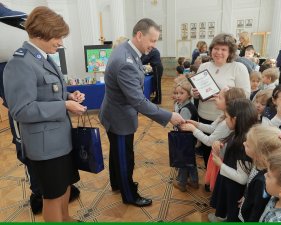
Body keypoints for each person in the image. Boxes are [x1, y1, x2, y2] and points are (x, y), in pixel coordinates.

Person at [3, 6, 87, 222]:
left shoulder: (43, 58)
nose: (60, 42)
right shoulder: (21, 63)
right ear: (41, 33)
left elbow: (50, 92)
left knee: (66, 186)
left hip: (61, 140)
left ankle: (66, 219)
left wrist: (69, 97)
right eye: (57, 37)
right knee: (53, 196)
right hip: (45, 147)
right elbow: (21, 110)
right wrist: (64, 107)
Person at [99, 18, 185, 207]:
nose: (154, 46)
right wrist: (169, 116)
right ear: (139, 35)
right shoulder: (125, 61)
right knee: (124, 158)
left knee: (116, 152)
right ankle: (129, 195)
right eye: (152, 40)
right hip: (119, 119)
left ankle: (116, 183)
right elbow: (138, 101)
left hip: (113, 112)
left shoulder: (126, 49)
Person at [192, 33, 250, 168]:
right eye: (216, 48)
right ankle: (209, 177)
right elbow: (194, 87)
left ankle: (219, 181)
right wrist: (193, 92)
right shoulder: (204, 66)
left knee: (223, 153)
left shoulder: (238, 68)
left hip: (226, 119)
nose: (219, 52)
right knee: (208, 151)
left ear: (230, 52)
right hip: (204, 115)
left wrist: (223, 95)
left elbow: (246, 95)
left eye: (223, 50)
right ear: (211, 49)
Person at [181, 87, 246, 192]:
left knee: (216, 182)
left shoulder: (226, 123)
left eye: (219, 98)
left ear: (229, 103)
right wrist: (197, 124)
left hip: (221, 157)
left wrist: (193, 129)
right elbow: (212, 128)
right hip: (217, 154)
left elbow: (208, 141)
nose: (215, 99)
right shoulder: (223, 115)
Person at [208, 99, 257, 222]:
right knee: (226, 204)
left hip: (234, 186)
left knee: (232, 210)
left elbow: (242, 178)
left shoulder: (243, 144)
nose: (225, 120)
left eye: (227, 117)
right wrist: (219, 142)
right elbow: (227, 141)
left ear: (235, 119)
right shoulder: (239, 133)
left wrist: (220, 164)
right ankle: (222, 216)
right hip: (228, 179)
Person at [238, 124, 281, 222]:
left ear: (260, 154)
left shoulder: (263, 181)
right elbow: (252, 187)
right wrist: (246, 196)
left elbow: (257, 210)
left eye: (248, 145)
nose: (244, 143)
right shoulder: (258, 164)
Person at [172, 79, 199, 192]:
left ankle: (182, 182)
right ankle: (194, 181)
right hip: (189, 138)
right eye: (176, 93)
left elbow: (182, 126)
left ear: (189, 95)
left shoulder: (185, 109)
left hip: (184, 138)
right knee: (190, 160)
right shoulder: (184, 105)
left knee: (183, 161)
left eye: (181, 93)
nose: (178, 96)